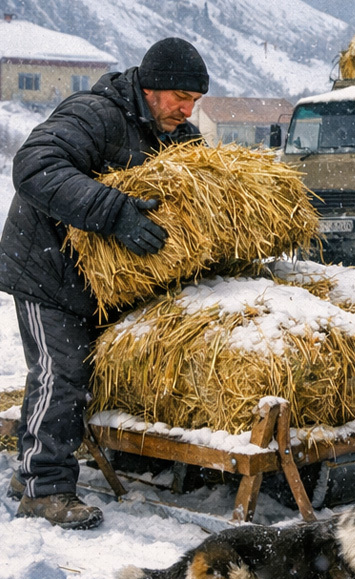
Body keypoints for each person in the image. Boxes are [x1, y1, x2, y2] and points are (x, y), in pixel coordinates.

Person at [0, 37, 209, 529]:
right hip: (48, 270)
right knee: (62, 374)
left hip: (106, 281)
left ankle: (33, 463)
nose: (187, 109)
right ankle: (43, 489)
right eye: (180, 97)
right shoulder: (95, 114)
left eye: (194, 101)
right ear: (150, 88)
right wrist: (113, 212)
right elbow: (34, 166)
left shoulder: (175, 134)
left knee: (101, 376)